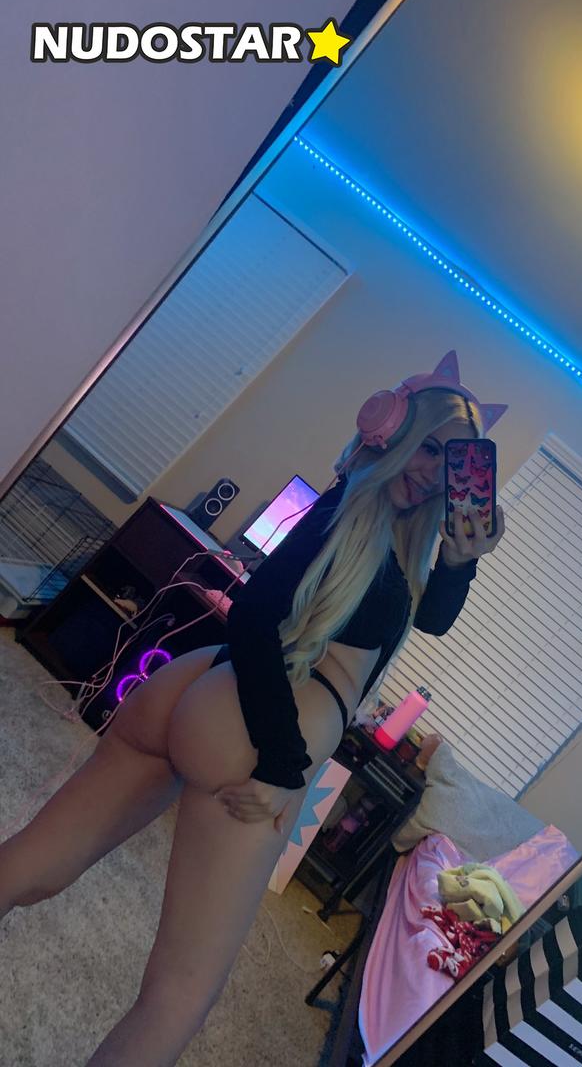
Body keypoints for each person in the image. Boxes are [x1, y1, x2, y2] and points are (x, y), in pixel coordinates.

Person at [0, 351, 508, 1065]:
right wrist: (281, 766)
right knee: (180, 995)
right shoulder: (345, 510)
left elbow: (433, 619)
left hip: (198, 690)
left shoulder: (378, 526)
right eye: (427, 447)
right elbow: (254, 616)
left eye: (449, 464)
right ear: (390, 427)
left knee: (37, 861)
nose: (431, 473)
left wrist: (461, 559)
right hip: (253, 729)